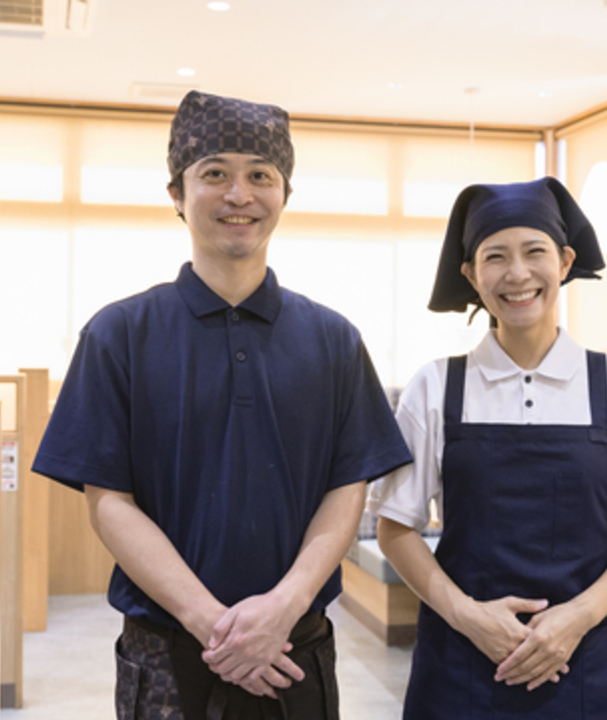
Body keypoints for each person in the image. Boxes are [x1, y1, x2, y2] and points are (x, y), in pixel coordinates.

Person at [33, 90, 412, 720]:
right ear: (177, 194)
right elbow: (109, 503)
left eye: (260, 176)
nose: (240, 195)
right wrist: (217, 627)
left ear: (284, 194)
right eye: (215, 174)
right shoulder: (119, 334)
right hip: (168, 656)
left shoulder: (334, 339)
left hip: (296, 648)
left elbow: (346, 491)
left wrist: (283, 608)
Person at [369, 177, 607, 719]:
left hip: (584, 660)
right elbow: (396, 527)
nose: (517, 274)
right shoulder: (437, 386)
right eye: (495, 256)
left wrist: (578, 617)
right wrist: (469, 617)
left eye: (534, 252)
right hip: (461, 663)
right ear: (471, 274)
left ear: (564, 261)